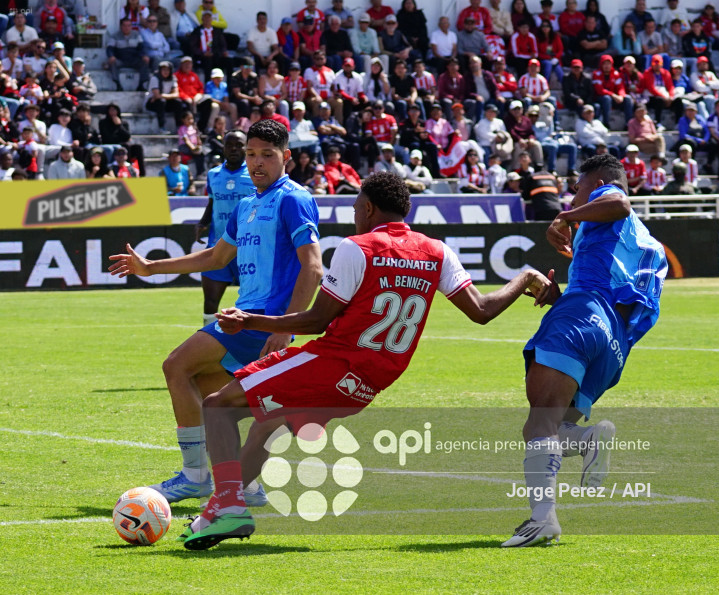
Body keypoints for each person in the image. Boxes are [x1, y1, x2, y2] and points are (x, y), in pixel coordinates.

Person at [153, 170, 555, 549]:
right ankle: (219, 510)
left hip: (332, 363)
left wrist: (251, 320)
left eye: (354, 208)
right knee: (265, 429)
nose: (353, 216)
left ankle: (227, 507)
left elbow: (316, 319)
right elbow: (482, 310)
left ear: (367, 208)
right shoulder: (437, 251)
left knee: (218, 407)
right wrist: (524, 278)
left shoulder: (357, 247)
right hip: (369, 383)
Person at [108, 120, 323, 507]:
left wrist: (285, 327)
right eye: (253, 154)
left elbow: (313, 268)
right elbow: (215, 257)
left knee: (176, 366)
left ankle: (194, 477)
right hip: (244, 317)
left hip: (262, 320)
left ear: (286, 157)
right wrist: (151, 268)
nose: (257, 163)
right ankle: (248, 483)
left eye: (267, 155)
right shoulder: (246, 205)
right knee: (212, 395)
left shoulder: (293, 199)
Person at [502, 153, 667, 547]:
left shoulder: (607, 199)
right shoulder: (647, 242)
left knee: (538, 424)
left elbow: (619, 200)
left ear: (595, 182)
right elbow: (619, 296)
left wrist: (565, 216)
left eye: (576, 189)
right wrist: (561, 296)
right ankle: (590, 440)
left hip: (583, 316)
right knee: (557, 426)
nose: (573, 198)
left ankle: (543, 520)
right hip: (614, 345)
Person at [194, 131, 254, 326]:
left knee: (251, 303)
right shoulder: (213, 175)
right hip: (217, 246)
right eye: (230, 145)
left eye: (239, 145)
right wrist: (203, 222)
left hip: (248, 248)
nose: (234, 149)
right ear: (223, 148)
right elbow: (213, 202)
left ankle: (253, 344)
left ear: (247, 148)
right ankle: (205, 341)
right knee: (210, 302)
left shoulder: (255, 173)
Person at [106, 17, 150, 92]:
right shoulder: (115, 36)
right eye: (124, 25)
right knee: (113, 62)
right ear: (121, 26)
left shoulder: (136, 35)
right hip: (121, 59)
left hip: (134, 59)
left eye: (129, 25)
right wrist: (111, 56)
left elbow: (142, 47)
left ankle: (141, 84)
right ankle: (118, 85)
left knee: (144, 62)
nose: (127, 28)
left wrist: (144, 55)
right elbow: (109, 48)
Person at [592, 55, 632, 127]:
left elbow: (620, 88)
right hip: (600, 99)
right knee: (607, 99)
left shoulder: (616, 74)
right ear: (601, 64)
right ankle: (606, 123)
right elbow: (599, 90)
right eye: (604, 64)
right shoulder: (596, 74)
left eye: (608, 63)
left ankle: (629, 124)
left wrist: (621, 96)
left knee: (628, 98)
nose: (606, 66)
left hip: (614, 99)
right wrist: (613, 95)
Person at [145, 61, 183, 134]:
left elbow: (176, 94)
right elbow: (156, 95)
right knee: (161, 102)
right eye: (163, 69)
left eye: (167, 70)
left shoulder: (173, 78)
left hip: (165, 102)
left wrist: (162, 96)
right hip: (151, 103)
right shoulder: (154, 78)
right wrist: (167, 96)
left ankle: (179, 127)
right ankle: (162, 127)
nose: (166, 72)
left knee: (178, 102)